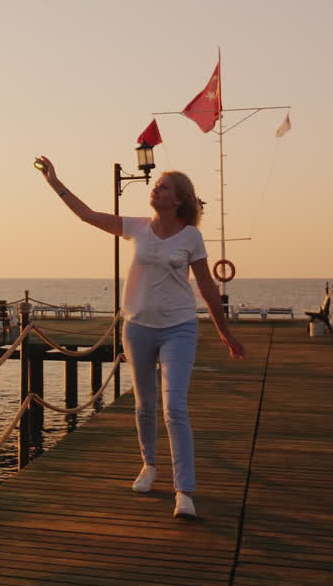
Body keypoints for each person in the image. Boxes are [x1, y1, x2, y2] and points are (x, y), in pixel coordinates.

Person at [35, 155, 245, 520]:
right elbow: (88, 215)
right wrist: (55, 181)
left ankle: (185, 490)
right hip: (137, 327)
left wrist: (225, 334)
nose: (155, 188)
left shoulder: (191, 236)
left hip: (179, 326)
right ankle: (149, 466)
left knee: (174, 408)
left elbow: (208, 289)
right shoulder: (137, 227)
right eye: (156, 185)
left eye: (163, 186)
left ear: (178, 199)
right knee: (144, 405)